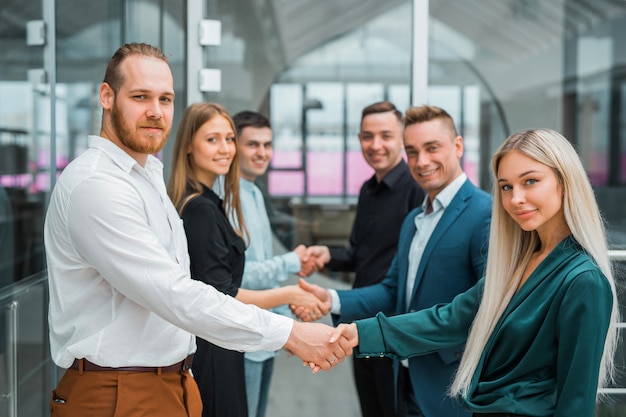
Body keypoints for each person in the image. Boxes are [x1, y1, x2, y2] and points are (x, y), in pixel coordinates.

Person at [44, 42, 349, 417]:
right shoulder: (97, 185)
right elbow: (175, 294)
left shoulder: (147, 177)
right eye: (140, 97)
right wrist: (289, 332)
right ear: (107, 97)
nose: (155, 112)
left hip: (169, 382)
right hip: (118, 392)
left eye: (166, 99)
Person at [329, 128, 619, 417]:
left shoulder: (583, 281)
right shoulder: (517, 264)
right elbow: (448, 319)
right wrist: (358, 333)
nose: (516, 198)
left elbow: (576, 403)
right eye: (506, 187)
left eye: (530, 181)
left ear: (565, 183)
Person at [298, 105, 492, 417]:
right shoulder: (415, 219)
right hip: (402, 372)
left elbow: (487, 309)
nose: (421, 161)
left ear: (457, 146)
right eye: (413, 151)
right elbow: (392, 291)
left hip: (450, 385)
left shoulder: (485, 213)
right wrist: (332, 299)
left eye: (432, 148)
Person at [168, 102, 326, 417]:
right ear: (188, 145)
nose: (225, 149)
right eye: (213, 140)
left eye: (228, 139)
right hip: (219, 343)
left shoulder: (218, 200)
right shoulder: (202, 208)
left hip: (235, 339)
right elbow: (222, 291)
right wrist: (291, 292)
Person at [302, 100, 424, 417]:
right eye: (368, 137)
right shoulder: (368, 189)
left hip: (393, 326)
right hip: (360, 325)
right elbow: (361, 254)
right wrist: (328, 255)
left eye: (385, 135)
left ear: (401, 139)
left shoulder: (417, 190)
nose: (376, 145)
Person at [230, 110, 318, 417]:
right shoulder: (228, 198)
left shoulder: (253, 192)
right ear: (233, 146)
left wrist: (286, 314)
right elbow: (239, 278)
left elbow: (261, 278)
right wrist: (291, 261)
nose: (262, 153)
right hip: (243, 340)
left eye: (267, 145)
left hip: (265, 335)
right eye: (253, 144)